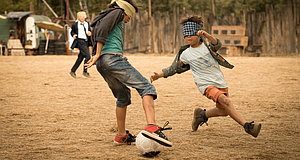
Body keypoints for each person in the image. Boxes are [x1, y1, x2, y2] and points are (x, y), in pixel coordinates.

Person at [150, 16, 261, 138]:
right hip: (205, 84)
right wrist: (159, 75)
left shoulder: (208, 45)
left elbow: (217, 44)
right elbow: (173, 68)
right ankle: (247, 126)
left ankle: (201, 115)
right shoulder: (186, 54)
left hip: (219, 81)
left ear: (199, 34)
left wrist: (207, 36)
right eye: (186, 35)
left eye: (191, 34)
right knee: (226, 101)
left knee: (224, 111)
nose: (188, 37)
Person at [85, 0, 172, 147]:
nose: (128, 20)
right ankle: (152, 127)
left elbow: (98, 32)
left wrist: (98, 55)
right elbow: (102, 31)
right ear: (126, 11)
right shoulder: (117, 12)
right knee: (147, 88)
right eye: (129, 17)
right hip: (113, 59)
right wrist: (98, 53)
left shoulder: (105, 15)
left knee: (123, 96)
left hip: (103, 63)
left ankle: (121, 136)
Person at [70, 11, 92, 78]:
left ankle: (72, 71)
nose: (82, 18)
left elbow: (89, 31)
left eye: (83, 17)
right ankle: (85, 72)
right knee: (88, 56)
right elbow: (72, 32)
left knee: (80, 58)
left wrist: (90, 33)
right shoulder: (75, 25)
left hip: (86, 41)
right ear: (78, 17)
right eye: (80, 17)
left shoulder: (87, 24)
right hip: (79, 41)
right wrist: (73, 35)